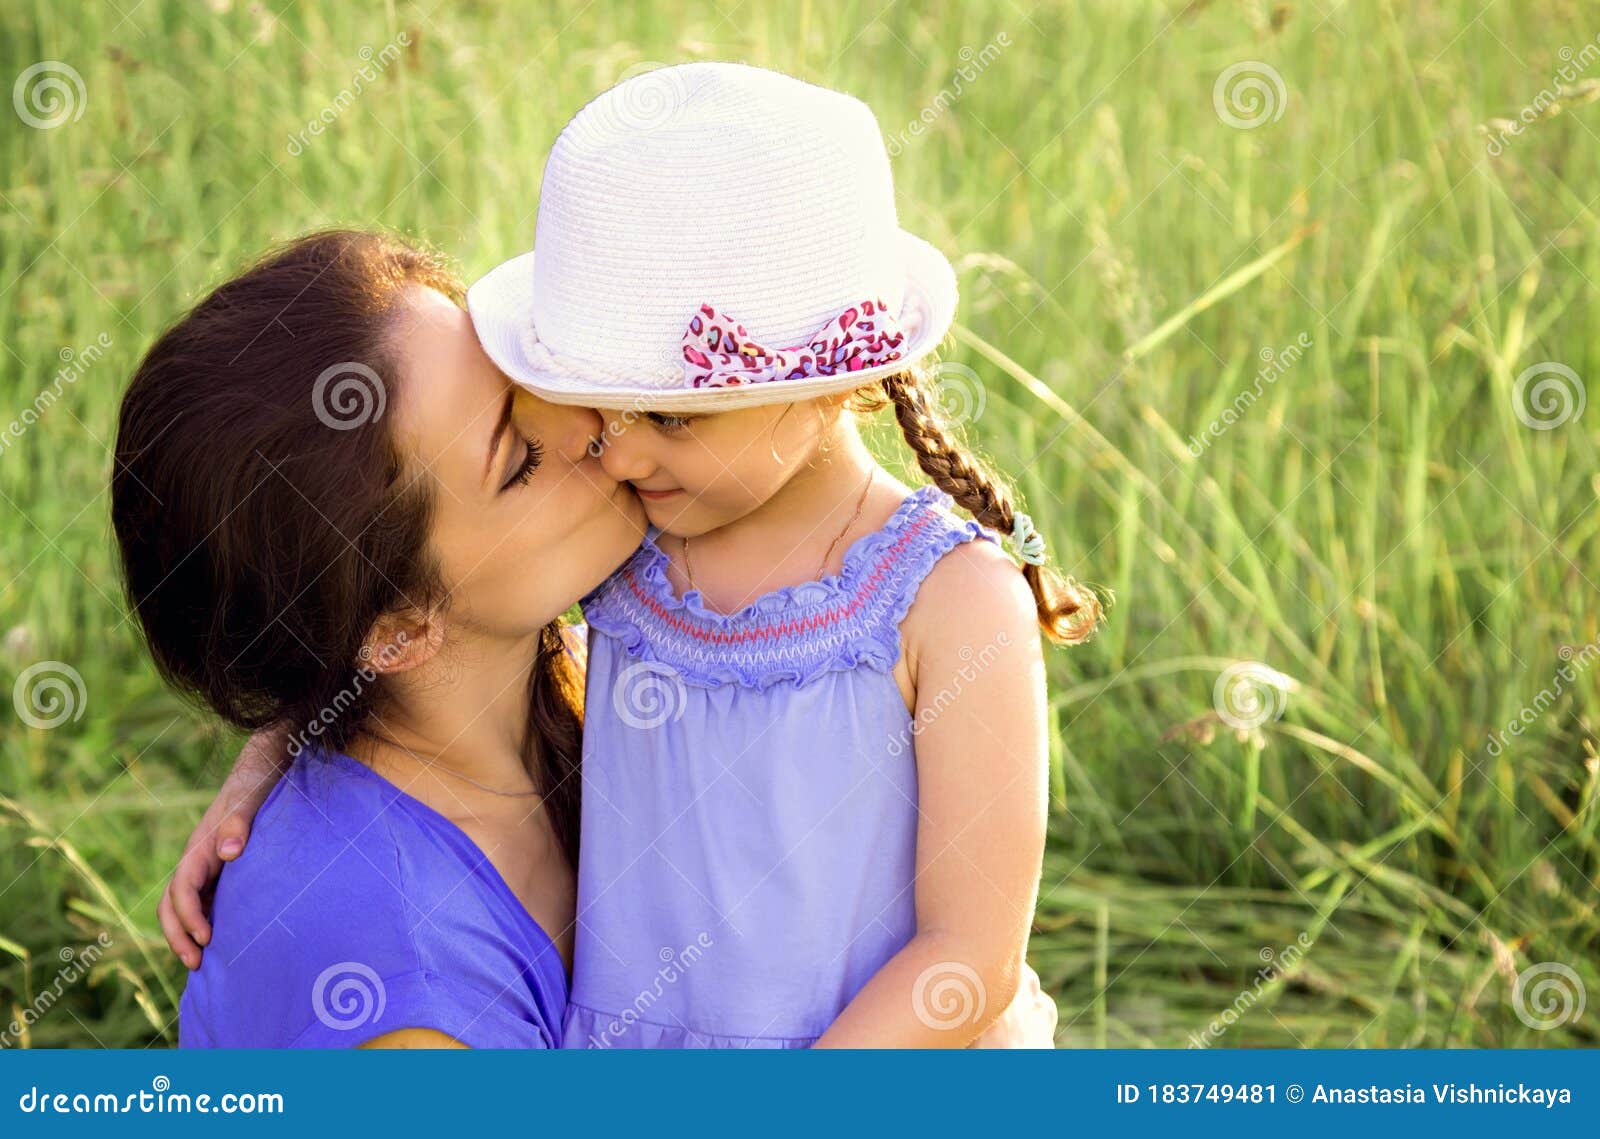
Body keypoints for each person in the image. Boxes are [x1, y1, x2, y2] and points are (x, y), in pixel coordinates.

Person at [466, 62, 1103, 1047]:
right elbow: (429, 619)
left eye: (672, 417)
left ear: (828, 383)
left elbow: (969, 953)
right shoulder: (623, 539)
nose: (621, 450)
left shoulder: (951, 602)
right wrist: (270, 767)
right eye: (603, 404)